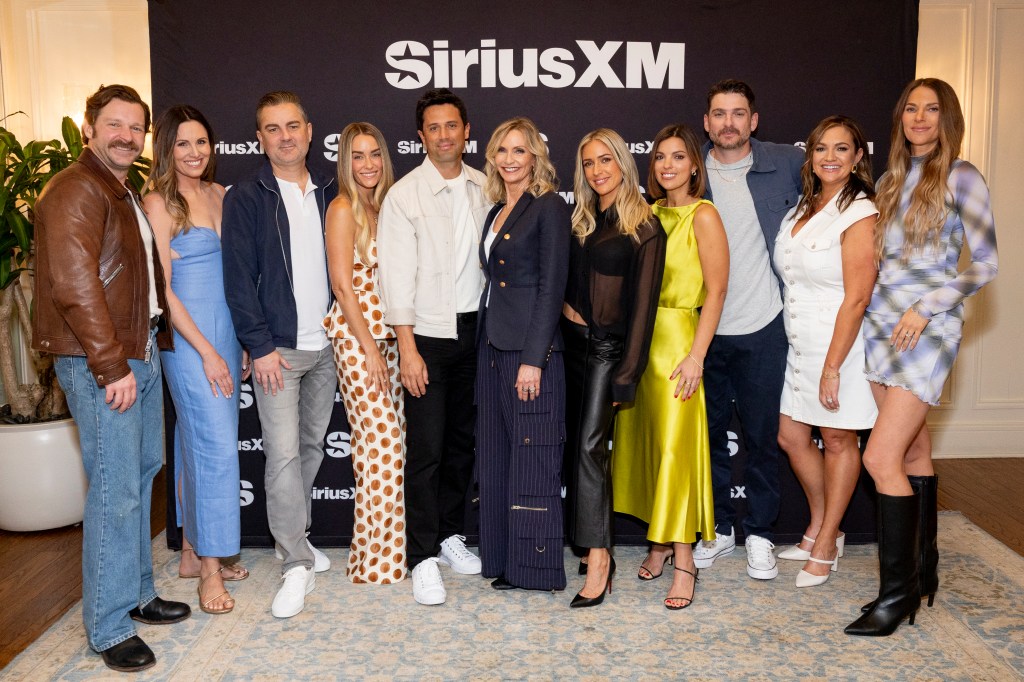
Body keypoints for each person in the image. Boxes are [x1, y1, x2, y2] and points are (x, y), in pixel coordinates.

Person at [32, 84, 190, 672]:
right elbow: (75, 287)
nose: (127, 136)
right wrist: (110, 364)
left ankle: (139, 595)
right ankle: (106, 624)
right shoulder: (76, 188)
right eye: (115, 124)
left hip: (137, 350)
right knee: (116, 494)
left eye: (136, 127)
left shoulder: (115, 187)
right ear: (90, 125)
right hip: (106, 361)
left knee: (138, 479)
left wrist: (134, 354)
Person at [846, 78, 998, 637]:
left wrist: (927, 307)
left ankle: (895, 597)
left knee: (879, 458)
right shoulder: (889, 180)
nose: (920, 118)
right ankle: (924, 571)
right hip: (881, 326)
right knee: (911, 448)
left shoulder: (962, 176)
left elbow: (984, 264)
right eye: (911, 108)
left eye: (931, 109)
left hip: (926, 329)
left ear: (947, 118)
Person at [222, 91, 338, 618]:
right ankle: (294, 562)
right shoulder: (247, 198)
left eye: (293, 125)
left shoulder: (333, 193)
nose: (285, 135)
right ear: (260, 138)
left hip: (330, 347)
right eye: (273, 128)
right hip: (279, 353)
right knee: (284, 455)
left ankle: (295, 535)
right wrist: (259, 346)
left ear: (310, 131)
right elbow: (238, 281)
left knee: (311, 449)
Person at [378, 88, 490, 605]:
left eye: (453, 126)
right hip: (427, 336)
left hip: (479, 334)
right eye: (433, 127)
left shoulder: (487, 187)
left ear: (466, 131)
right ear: (420, 136)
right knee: (425, 451)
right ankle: (422, 556)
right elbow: (395, 279)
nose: (444, 135)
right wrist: (408, 347)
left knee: (463, 445)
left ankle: (449, 535)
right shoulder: (404, 195)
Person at [611, 124, 728, 609]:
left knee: (676, 454)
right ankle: (658, 544)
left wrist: (697, 355)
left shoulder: (704, 215)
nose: (667, 166)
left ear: (694, 165)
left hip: (680, 342)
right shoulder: (645, 213)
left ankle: (685, 563)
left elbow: (717, 291)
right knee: (648, 449)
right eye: (660, 157)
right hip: (640, 344)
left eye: (678, 157)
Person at [694, 79, 803, 581]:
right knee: (709, 437)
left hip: (765, 326)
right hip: (704, 332)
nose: (729, 123)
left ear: (753, 121)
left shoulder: (788, 163)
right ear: (707, 121)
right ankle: (717, 529)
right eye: (719, 114)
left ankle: (760, 533)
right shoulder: (690, 172)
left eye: (739, 114)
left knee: (761, 439)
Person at [144, 105, 249, 615]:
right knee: (214, 449)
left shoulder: (220, 195)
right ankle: (211, 569)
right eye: (183, 143)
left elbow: (239, 273)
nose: (194, 152)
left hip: (226, 330)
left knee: (195, 442)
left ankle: (191, 551)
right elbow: (161, 290)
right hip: (188, 339)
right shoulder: (158, 203)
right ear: (167, 148)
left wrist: (242, 342)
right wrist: (206, 351)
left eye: (202, 142)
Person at [773, 115, 879, 588]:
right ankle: (822, 527)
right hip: (801, 343)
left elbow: (857, 296)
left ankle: (826, 539)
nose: (829, 157)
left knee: (838, 440)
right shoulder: (802, 208)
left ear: (858, 157)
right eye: (821, 149)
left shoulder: (860, 212)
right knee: (792, 437)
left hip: (841, 345)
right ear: (809, 155)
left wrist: (833, 366)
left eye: (841, 149)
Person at [562, 128, 666, 608]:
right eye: (588, 163)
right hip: (570, 347)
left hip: (606, 352)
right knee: (579, 449)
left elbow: (643, 310)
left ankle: (600, 560)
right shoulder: (584, 217)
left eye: (606, 160)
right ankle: (588, 545)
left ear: (624, 163)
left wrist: (628, 372)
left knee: (589, 449)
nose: (598, 171)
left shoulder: (645, 226)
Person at [476, 117, 570, 592]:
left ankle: (534, 569)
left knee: (532, 459)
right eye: (502, 151)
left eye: (519, 151)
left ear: (535, 156)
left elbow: (553, 286)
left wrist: (535, 357)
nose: (509, 159)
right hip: (492, 347)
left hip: (531, 355)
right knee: (495, 460)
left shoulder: (549, 206)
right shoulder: (496, 209)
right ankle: (500, 558)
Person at [322, 122, 406, 584]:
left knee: (380, 449)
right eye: (357, 156)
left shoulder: (384, 205)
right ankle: (375, 563)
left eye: (374, 154)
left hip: (392, 339)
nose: (368, 164)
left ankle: (377, 557)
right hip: (359, 341)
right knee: (383, 445)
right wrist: (371, 349)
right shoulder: (342, 208)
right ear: (345, 162)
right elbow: (342, 285)